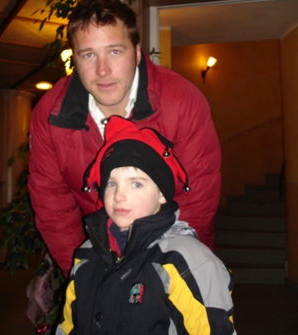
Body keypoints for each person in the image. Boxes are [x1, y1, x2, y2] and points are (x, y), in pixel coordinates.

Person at [28, 0, 221, 278]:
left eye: (115, 51)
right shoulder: (49, 112)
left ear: (138, 53)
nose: (102, 70)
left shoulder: (183, 102)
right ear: (75, 60)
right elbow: (53, 207)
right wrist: (84, 275)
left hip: (173, 265)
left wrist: (166, 279)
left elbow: (196, 203)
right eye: (89, 54)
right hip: (95, 261)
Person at [56, 116, 235, 335]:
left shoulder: (185, 262)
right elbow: (67, 326)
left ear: (161, 194)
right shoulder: (86, 255)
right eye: (111, 183)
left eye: (136, 184)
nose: (119, 195)